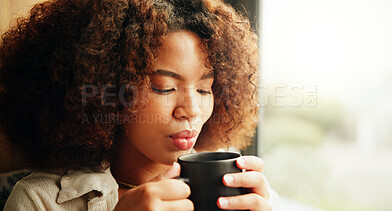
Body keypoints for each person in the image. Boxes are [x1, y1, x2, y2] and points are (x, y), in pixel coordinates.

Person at [0, 0, 276, 210]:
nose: (191, 110)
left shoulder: (234, 187)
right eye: (164, 88)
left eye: (205, 89)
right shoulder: (39, 199)